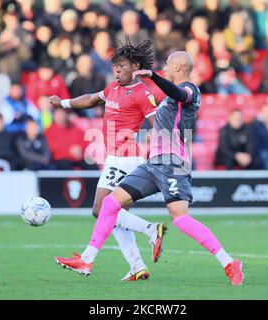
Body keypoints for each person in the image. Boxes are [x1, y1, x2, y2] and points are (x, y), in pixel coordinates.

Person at [54, 51, 244, 286]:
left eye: (168, 64)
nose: (164, 67)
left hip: (173, 162)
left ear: (178, 68)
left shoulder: (190, 90)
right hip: (153, 162)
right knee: (110, 204)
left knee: (180, 219)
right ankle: (87, 259)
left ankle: (228, 262)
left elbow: (178, 93)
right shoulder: (164, 95)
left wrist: (152, 75)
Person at [49, 39, 162, 282]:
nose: (117, 69)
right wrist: (64, 103)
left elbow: (157, 125)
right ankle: (137, 266)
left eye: (121, 65)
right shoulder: (113, 88)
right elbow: (91, 99)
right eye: (115, 65)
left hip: (128, 158)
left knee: (101, 210)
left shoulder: (143, 93)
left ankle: (148, 230)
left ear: (135, 66)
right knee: (110, 216)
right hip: (114, 158)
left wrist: (160, 154)